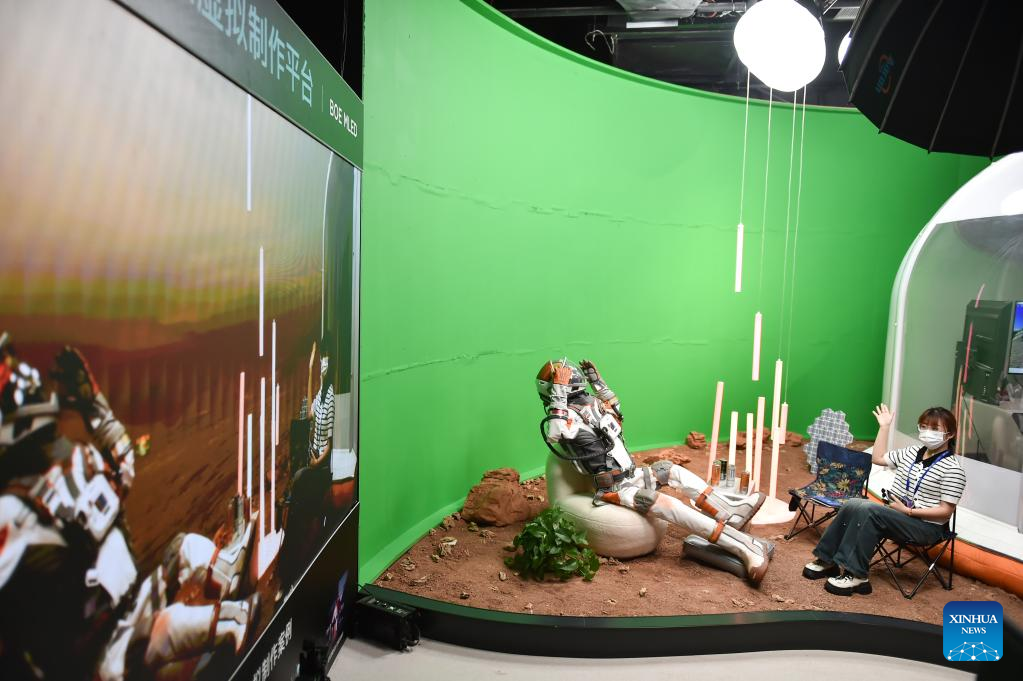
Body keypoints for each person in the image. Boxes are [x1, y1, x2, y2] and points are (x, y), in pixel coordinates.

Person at [0, 335, 258, 680]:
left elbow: (123, 467)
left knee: (183, 553)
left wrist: (95, 406)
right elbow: (123, 461)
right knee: (161, 620)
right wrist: (95, 407)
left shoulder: (60, 473)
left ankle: (229, 592)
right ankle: (231, 610)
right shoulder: (40, 493)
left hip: (116, 627)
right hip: (106, 651)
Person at [537, 358, 773, 584]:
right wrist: (559, 393)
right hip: (614, 488)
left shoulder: (590, 404)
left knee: (671, 470)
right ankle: (744, 547)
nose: (569, 374)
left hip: (630, 475)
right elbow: (555, 433)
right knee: (666, 504)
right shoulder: (564, 416)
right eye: (561, 375)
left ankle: (729, 512)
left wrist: (598, 382)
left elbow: (615, 409)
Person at [803, 404, 967, 596]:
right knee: (853, 503)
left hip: (925, 527)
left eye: (934, 428)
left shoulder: (953, 469)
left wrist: (909, 511)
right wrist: (884, 427)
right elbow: (878, 458)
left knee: (870, 511)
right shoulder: (912, 452)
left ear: (950, 434)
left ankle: (857, 576)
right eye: (923, 426)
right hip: (897, 516)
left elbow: (945, 511)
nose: (927, 432)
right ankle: (828, 560)